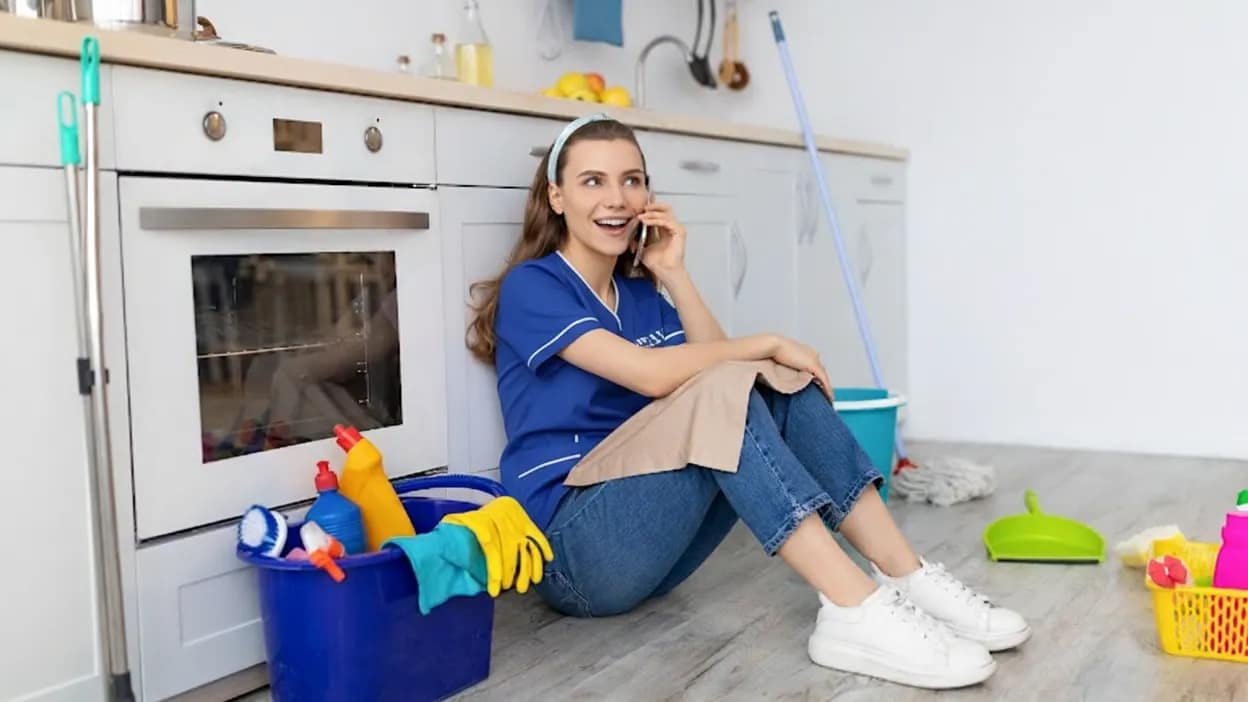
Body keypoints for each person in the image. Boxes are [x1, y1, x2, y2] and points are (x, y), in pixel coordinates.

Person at [465, 113, 1029, 690]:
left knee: (776, 383)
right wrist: (769, 339)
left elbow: (728, 373)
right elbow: (654, 374)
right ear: (555, 196)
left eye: (632, 180)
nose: (617, 198)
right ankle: (853, 605)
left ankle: (906, 576)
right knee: (747, 373)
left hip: (652, 547)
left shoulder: (640, 293)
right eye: (593, 182)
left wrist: (674, 274)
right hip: (575, 552)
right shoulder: (534, 287)